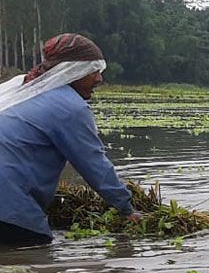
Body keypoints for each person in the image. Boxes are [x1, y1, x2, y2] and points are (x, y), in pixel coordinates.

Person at [0, 33, 140, 247]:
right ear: (71, 72)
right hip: (7, 207)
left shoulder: (16, 86)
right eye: (92, 71)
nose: (99, 79)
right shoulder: (68, 106)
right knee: (37, 258)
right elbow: (94, 165)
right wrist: (127, 209)